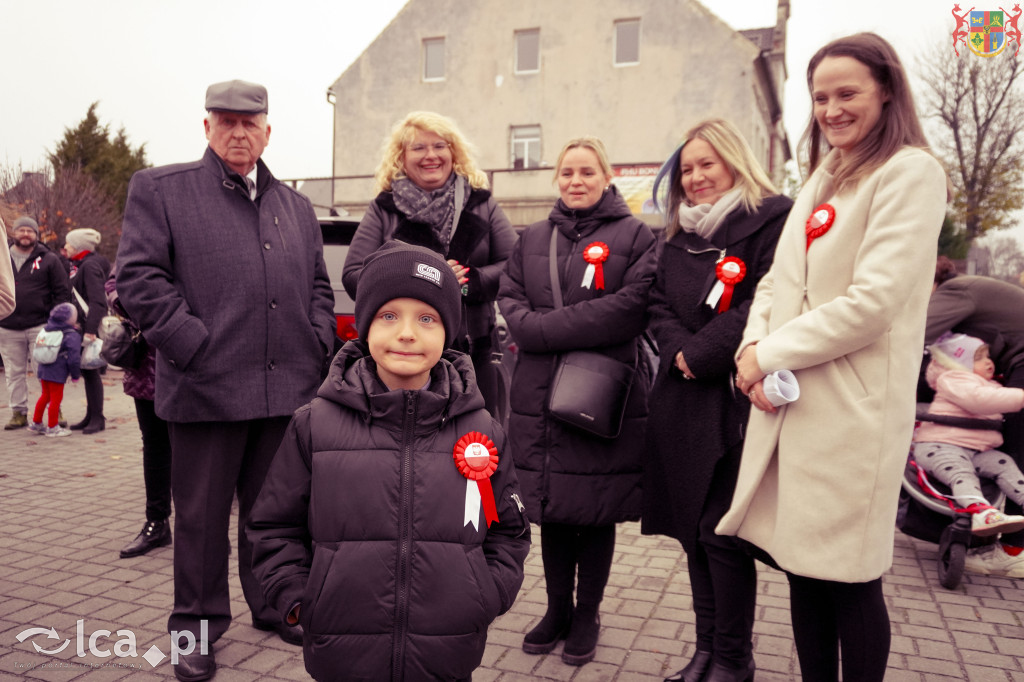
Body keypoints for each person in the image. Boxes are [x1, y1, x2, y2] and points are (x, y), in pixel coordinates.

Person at [718, 33, 948, 682]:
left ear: (886, 91)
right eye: (820, 97)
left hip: (851, 413)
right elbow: (776, 283)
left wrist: (767, 353)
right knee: (803, 568)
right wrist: (749, 354)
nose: (831, 109)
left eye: (847, 93)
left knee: (850, 579)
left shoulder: (911, 172)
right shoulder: (823, 176)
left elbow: (873, 303)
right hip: (792, 401)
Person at [116, 80, 336, 682]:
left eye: (251, 122)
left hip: (285, 391)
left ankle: (271, 603)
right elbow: (138, 278)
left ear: (269, 131)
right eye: (227, 121)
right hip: (206, 389)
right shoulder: (161, 189)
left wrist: (316, 339)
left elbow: (319, 286)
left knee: (275, 515)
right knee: (202, 520)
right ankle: (196, 626)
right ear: (207, 127)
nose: (240, 132)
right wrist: (192, 343)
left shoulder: (294, 205)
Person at [249, 241, 529, 681]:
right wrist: (300, 599)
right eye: (388, 315)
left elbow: (508, 533)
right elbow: (272, 526)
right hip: (341, 654)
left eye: (427, 318)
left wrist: (485, 595)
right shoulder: (314, 424)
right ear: (365, 326)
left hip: (447, 655)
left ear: (448, 331)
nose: (406, 333)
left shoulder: (481, 430)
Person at [641, 119, 792, 682]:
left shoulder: (771, 219)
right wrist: (679, 351)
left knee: (720, 535)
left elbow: (767, 298)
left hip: (733, 400)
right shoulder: (678, 234)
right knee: (693, 536)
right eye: (687, 169)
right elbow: (657, 303)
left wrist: (702, 353)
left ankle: (734, 658)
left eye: (708, 164)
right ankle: (706, 651)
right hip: (681, 402)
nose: (698, 177)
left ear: (734, 161)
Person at [497, 137, 657, 666]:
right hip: (539, 396)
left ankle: (588, 613)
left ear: (606, 176)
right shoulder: (534, 236)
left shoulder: (634, 235)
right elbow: (512, 301)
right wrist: (545, 330)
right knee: (555, 508)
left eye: (587, 172)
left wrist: (547, 331)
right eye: (567, 173)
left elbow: (632, 308)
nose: (576, 181)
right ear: (557, 179)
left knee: (596, 510)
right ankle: (557, 610)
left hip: (599, 391)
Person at [342, 111, 516, 418]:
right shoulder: (385, 208)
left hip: (476, 348)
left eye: (439, 145)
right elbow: (354, 274)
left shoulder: (482, 203)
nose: (430, 155)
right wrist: (423, 278)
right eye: (418, 148)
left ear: (453, 152)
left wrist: (471, 281)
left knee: (477, 448)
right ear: (402, 157)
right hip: (405, 357)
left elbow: (515, 265)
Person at [925, 257, 1024, 576]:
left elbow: (914, 335)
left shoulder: (955, 290)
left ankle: (1013, 552)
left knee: (1017, 451)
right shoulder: (973, 288)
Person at [913, 333, 1024, 535]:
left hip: (977, 450)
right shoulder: (953, 379)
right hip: (941, 445)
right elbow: (979, 400)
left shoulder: (990, 385)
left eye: (988, 356)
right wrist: (1020, 396)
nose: (988, 362)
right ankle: (982, 513)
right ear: (958, 363)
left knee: (1005, 464)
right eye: (978, 358)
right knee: (961, 473)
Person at [106, 271, 172, 559]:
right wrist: (139, 305)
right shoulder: (145, 231)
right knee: (155, 447)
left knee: (197, 450)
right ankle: (157, 523)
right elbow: (113, 284)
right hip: (147, 366)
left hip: (196, 366)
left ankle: (199, 527)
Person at [1, 216, 70, 430]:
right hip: (7, 326)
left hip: (41, 327)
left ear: (36, 235)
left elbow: (62, 291)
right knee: (13, 372)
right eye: (20, 230)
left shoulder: (49, 259)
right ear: (13, 233)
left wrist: (55, 322)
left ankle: (53, 410)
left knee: (46, 370)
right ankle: (18, 413)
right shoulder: (3, 256)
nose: (25, 234)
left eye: (29, 231)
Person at [65, 227, 111, 435]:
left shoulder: (89, 265)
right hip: (83, 327)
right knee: (88, 371)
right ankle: (90, 415)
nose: (64, 247)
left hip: (88, 328)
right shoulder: (81, 264)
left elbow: (98, 301)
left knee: (92, 373)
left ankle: (98, 418)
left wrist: (90, 330)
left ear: (78, 246)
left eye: (68, 243)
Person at [28, 302, 80, 437]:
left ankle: (36, 423)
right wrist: (75, 375)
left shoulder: (47, 329)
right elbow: (74, 358)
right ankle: (52, 427)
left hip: (43, 369)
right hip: (57, 372)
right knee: (56, 399)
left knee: (45, 396)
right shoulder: (71, 334)